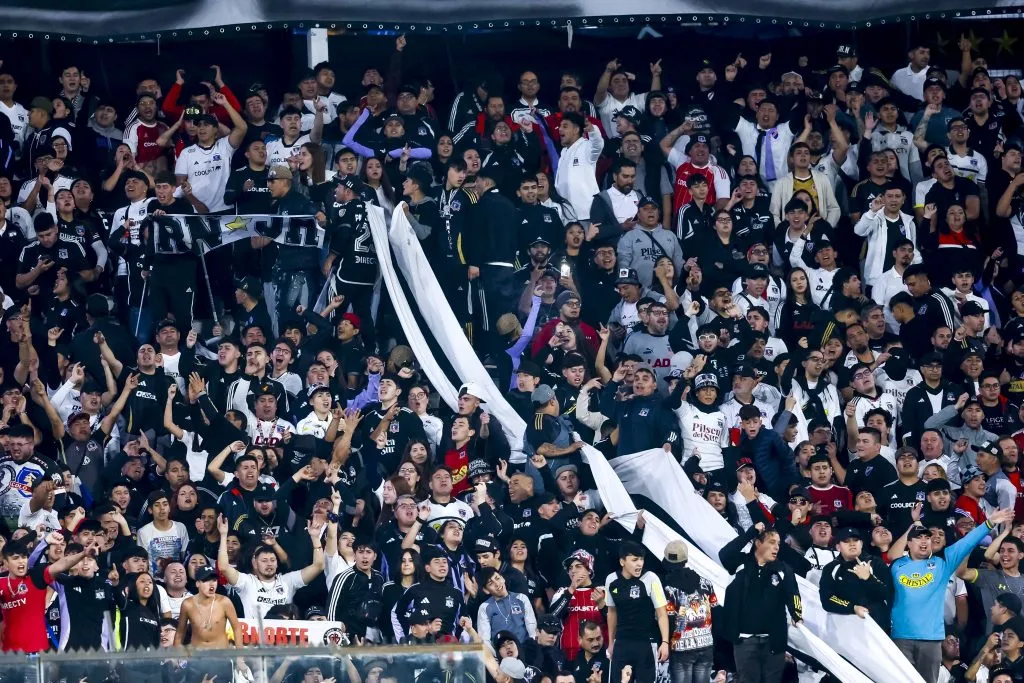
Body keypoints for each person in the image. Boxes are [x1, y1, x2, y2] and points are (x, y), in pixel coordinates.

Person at [890, 507, 1014, 682]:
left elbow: (967, 542)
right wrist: (914, 525)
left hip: (931, 639)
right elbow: (891, 554)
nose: (925, 540)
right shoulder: (897, 565)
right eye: (919, 537)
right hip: (901, 637)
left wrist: (989, 523)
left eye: (927, 537)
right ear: (908, 543)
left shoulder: (942, 563)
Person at [720, 523, 802, 683]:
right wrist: (751, 532)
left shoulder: (783, 569)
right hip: (744, 640)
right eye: (772, 542)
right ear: (758, 543)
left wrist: (797, 614)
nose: (776, 547)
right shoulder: (740, 563)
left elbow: (793, 595)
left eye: (778, 543)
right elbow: (724, 554)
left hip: (773, 641)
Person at [605, 541, 669, 683]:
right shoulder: (611, 580)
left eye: (641, 559)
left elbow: (662, 613)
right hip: (621, 642)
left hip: (645, 643)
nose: (639, 564)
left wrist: (665, 642)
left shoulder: (651, 579)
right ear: (622, 561)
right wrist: (610, 642)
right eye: (634, 560)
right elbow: (611, 612)